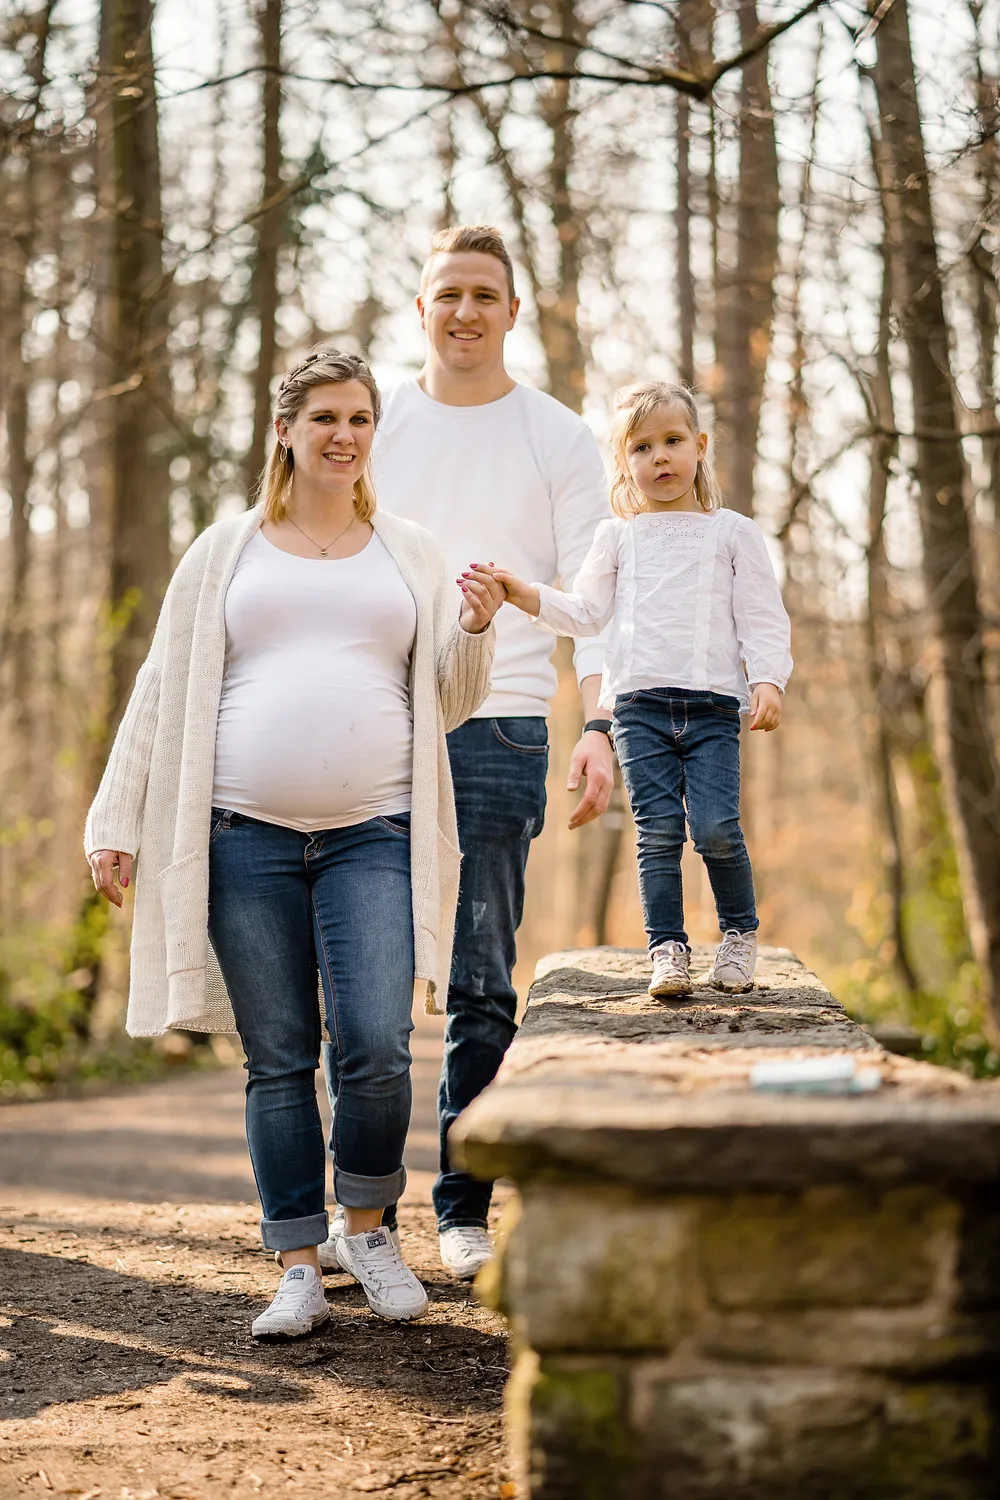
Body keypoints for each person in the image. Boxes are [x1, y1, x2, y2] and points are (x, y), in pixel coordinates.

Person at [85, 347, 503, 1339]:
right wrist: (115, 818)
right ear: (285, 429)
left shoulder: (406, 550)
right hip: (241, 837)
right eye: (323, 418)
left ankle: (369, 1230)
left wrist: (477, 628)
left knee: (373, 1044)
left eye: (359, 419)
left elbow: (447, 698)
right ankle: (297, 1264)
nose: (343, 436)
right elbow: (161, 689)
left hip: (374, 834)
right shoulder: (226, 550)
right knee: (277, 1059)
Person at [321, 225, 615, 1281]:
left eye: (483, 294)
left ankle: (462, 1207)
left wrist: (600, 726)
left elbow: (602, 601)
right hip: (368, 718)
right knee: (361, 980)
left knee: (481, 978)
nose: (463, 312)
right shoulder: (375, 424)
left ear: (511, 312)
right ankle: (362, 1221)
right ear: (419, 309)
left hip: (501, 723)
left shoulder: (559, 438)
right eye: (446, 293)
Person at [490, 379, 792, 997]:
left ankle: (738, 935)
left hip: (712, 708)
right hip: (639, 710)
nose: (660, 457)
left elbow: (763, 615)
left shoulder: (732, 533)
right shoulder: (618, 538)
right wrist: (526, 595)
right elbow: (584, 613)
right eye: (642, 447)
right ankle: (668, 951)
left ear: (699, 446)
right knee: (656, 831)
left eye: (673, 441)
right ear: (624, 462)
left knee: (714, 827)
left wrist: (768, 680)